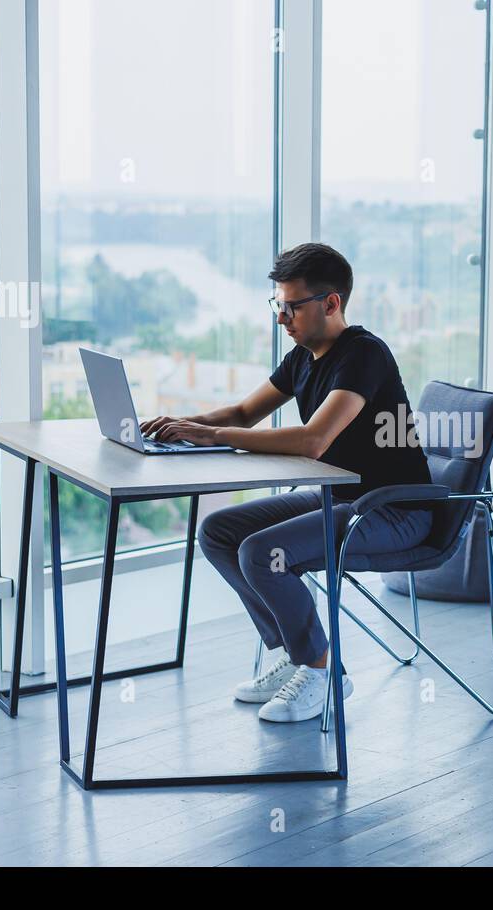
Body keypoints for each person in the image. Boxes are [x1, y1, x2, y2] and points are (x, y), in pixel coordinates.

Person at [140, 243, 434, 723]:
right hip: (338, 498)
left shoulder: (364, 354)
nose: (282, 317)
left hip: (393, 510)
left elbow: (314, 440)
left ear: (331, 303)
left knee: (261, 553)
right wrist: (180, 426)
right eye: (278, 304)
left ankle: (323, 671)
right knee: (219, 533)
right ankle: (300, 653)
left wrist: (209, 435)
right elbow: (241, 413)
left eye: (291, 306)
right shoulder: (303, 357)